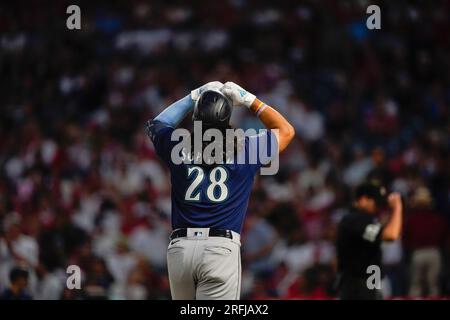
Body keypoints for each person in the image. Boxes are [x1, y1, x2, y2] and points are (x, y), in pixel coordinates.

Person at [145, 81, 295, 299]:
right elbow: (286, 131)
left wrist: (193, 96)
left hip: (181, 250)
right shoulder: (246, 149)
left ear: (196, 118)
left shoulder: (179, 146)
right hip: (219, 249)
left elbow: (158, 123)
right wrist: (249, 99)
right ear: (227, 119)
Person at [336, 181, 403, 300]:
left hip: (369, 285)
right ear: (363, 200)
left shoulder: (364, 219)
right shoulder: (355, 219)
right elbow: (391, 235)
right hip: (358, 288)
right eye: (375, 202)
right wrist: (397, 207)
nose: (377, 206)